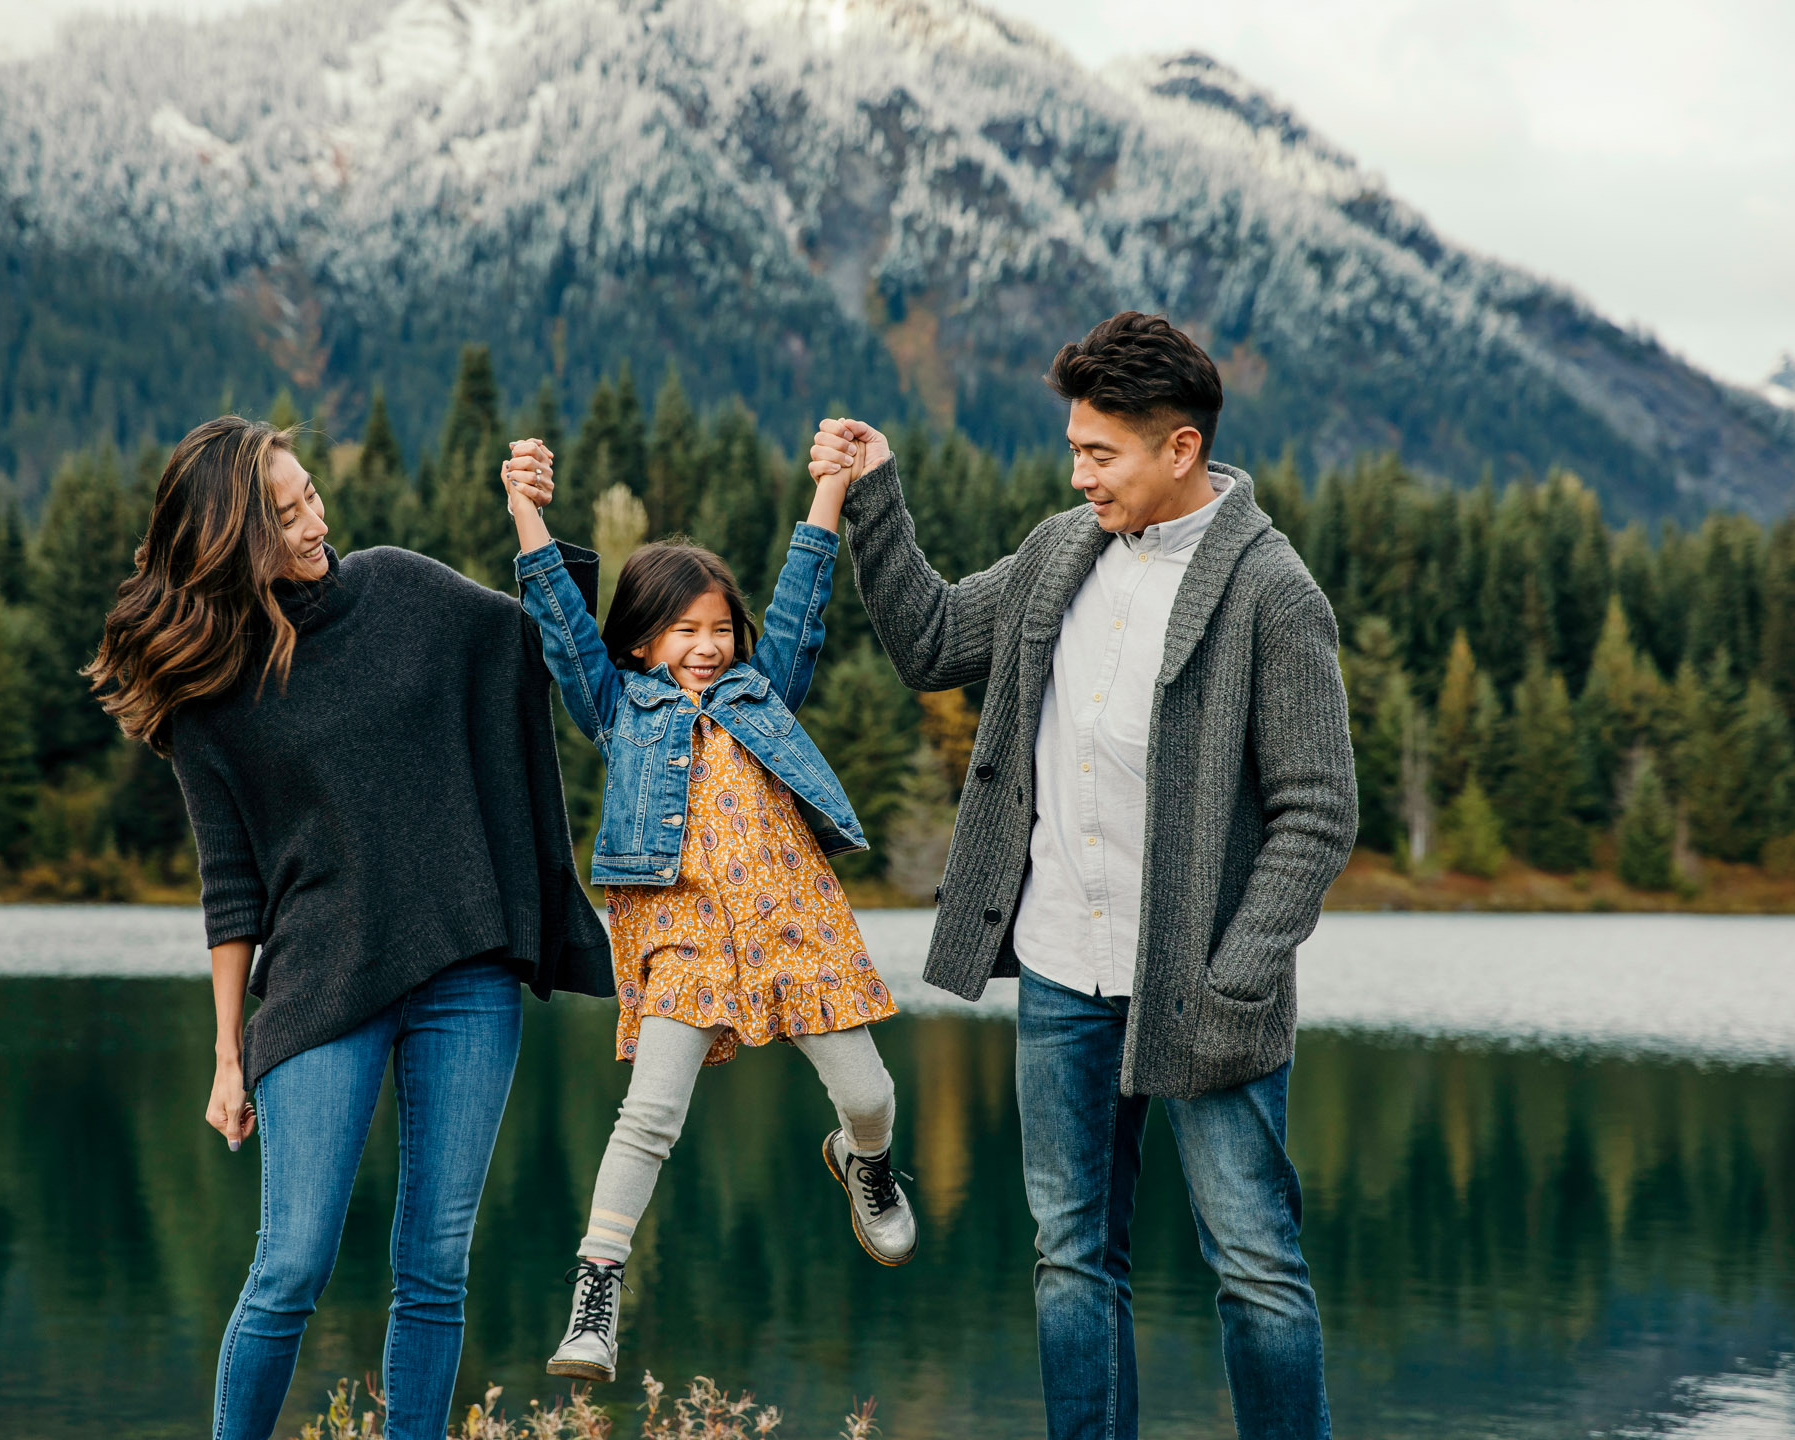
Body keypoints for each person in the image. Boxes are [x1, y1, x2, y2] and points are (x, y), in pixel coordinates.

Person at [811, 312, 1358, 1440]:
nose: (1080, 474)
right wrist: (876, 495)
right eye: (1076, 449)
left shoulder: (1274, 591)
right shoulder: (1062, 550)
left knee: (1254, 1263)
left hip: (1204, 988)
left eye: (1102, 454)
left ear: (1182, 449)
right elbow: (928, 642)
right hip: (1062, 971)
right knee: (1070, 1258)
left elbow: (1318, 814)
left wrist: (1234, 970)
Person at [85, 416, 612, 1440]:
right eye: (285, 516)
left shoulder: (405, 590)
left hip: (464, 964)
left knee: (433, 1265)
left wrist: (530, 519)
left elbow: (545, 650)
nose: (315, 519)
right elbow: (230, 887)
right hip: (323, 980)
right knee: (290, 1264)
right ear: (235, 541)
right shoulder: (210, 694)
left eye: (311, 493)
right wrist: (227, 1055)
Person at [498, 435, 915, 1385]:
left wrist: (832, 489)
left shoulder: (763, 692)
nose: (705, 647)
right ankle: (594, 1302)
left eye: (719, 629)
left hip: (794, 923)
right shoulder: (618, 707)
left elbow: (804, 603)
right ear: (642, 641)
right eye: (683, 632)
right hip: (679, 933)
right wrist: (526, 507)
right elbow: (561, 621)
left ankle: (865, 1164)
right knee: (649, 1116)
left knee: (870, 1096)